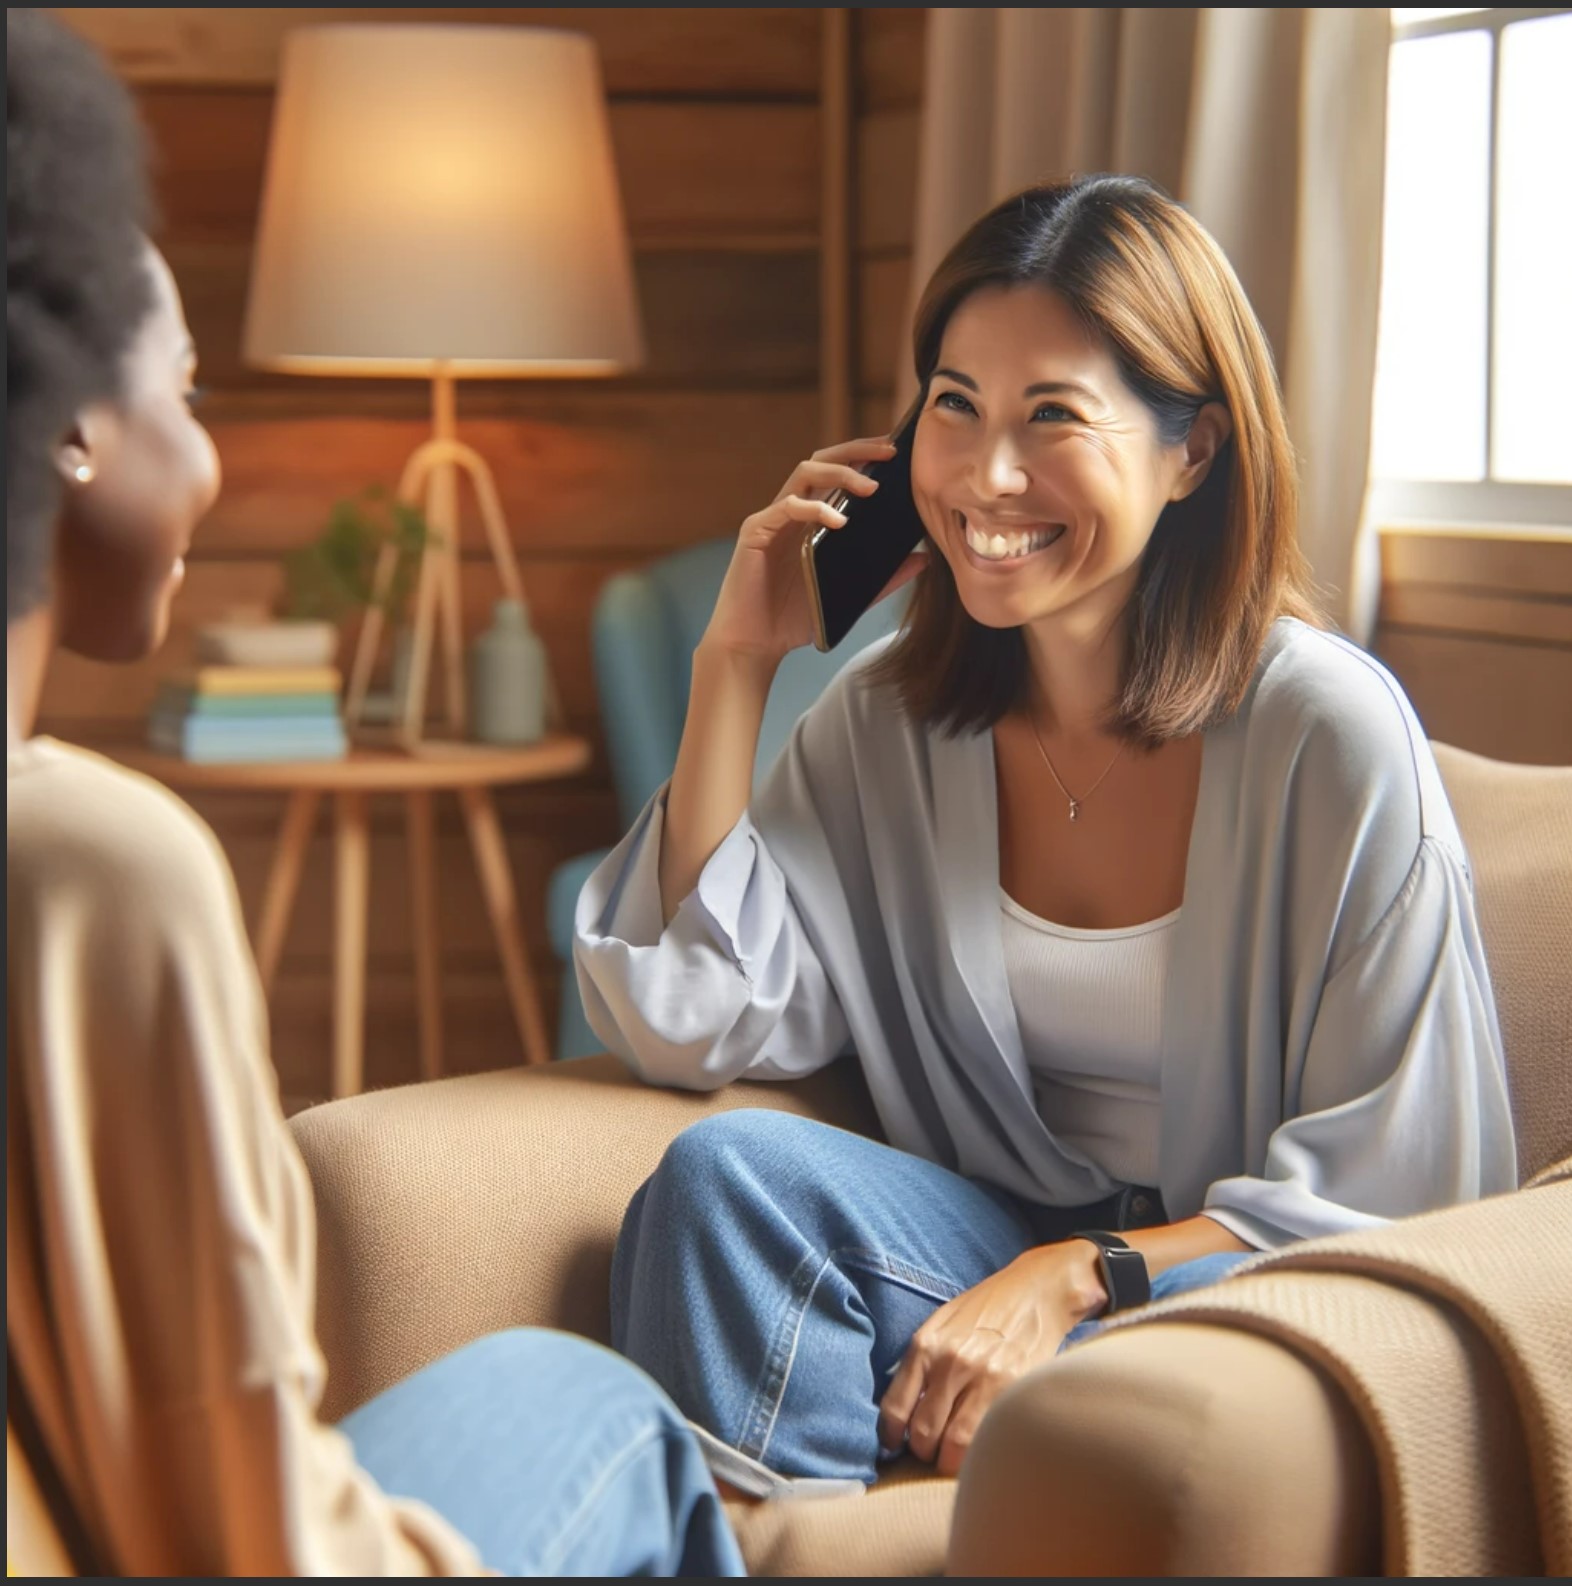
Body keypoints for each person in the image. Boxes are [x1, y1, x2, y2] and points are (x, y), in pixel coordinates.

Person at [575, 174, 1517, 1488]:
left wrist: (1080, 1274)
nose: (986, 474)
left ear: (1193, 451)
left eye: (1053, 416)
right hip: (977, 1254)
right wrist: (735, 665)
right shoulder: (886, 720)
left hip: (1246, 1293)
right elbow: (692, 1017)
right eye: (953, 406)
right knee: (720, 1175)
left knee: (1134, 1366)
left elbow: (1409, 1193)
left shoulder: (1330, 736)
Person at [5, 10, 743, 1576]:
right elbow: (250, 1531)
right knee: (600, 1403)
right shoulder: (87, 866)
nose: (207, 458)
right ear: (71, 428)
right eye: (188, 394)